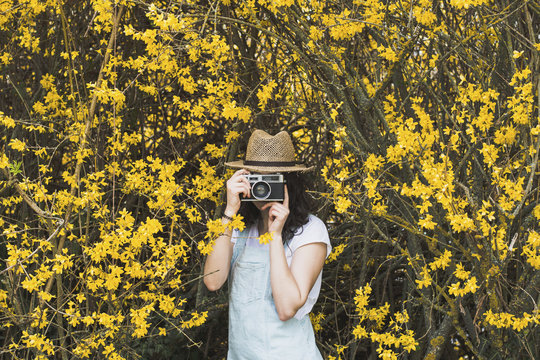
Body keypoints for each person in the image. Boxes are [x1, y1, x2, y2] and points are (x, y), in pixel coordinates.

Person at [203, 129, 331, 359]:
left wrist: (275, 235)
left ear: (288, 183)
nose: (261, 188)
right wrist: (230, 210)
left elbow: (286, 308)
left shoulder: (311, 231)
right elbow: (213, 281)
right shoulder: (240, 227)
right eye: (256, 178)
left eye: (269, 179)